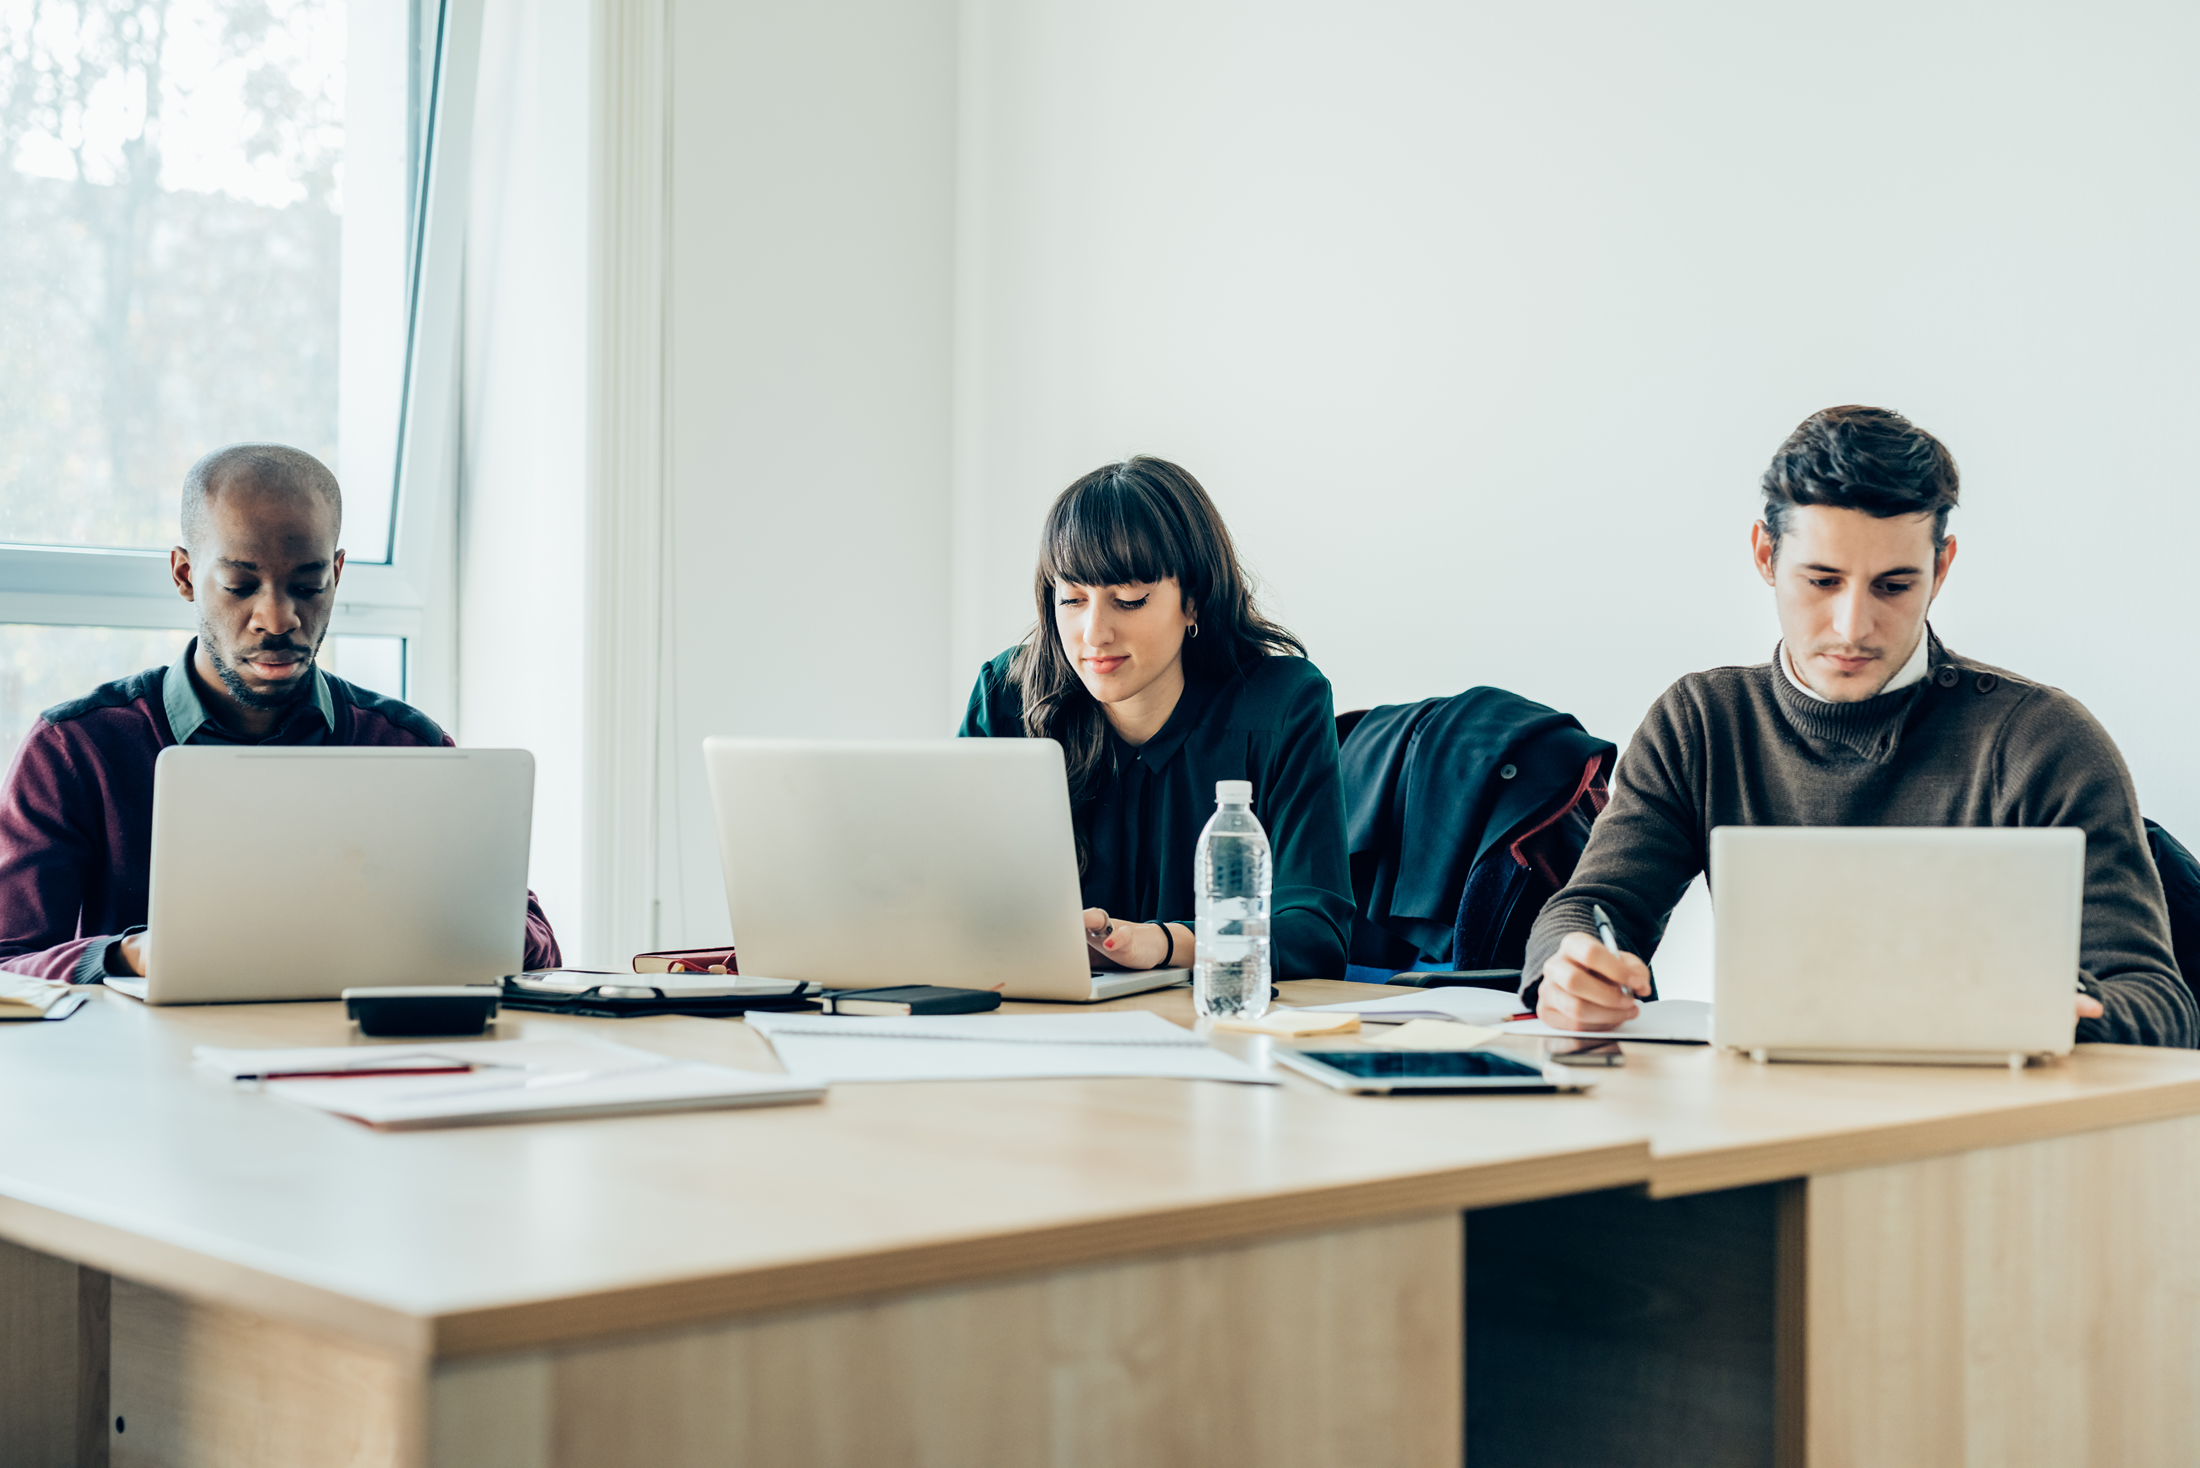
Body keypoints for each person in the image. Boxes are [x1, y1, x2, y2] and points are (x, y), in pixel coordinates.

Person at [1528, 405, 2195, 1047]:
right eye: (1822, 581)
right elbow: (1592, 905)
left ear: (1942, 567)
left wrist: (2034, 1007)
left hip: (1982, 1131)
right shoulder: (1702, 723)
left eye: (1893, 586)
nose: (1852, 627)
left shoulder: (2039, 740)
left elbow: (2158, 1002)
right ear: (1765, 555)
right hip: (1767, 1111)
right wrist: (1569, 965)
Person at [0, 443, 561, 983]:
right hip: (141, 1073)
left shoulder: (407, 747)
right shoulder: (75, 749)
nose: (277, 618)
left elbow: (541, 951)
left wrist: (456, 919)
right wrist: (128, 955)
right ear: (185, 575)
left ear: (337, 574)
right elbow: (8, 962)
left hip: (353, 1065)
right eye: (240, 585)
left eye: (308, 584)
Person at [959, 456, 1352, 979]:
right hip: (1033, 1012)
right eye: (1072, 599)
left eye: (1129, 600)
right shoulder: (1007, 695)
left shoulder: (1282, 705)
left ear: (1193, 600)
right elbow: (948, 893)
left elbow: (1314, 932)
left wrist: (1168, 944)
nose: (1094, 634)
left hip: (1211, 1028)